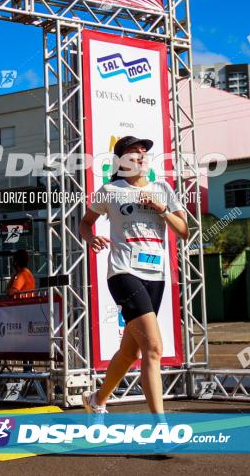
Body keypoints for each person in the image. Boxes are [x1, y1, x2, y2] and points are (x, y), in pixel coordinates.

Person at [79, 135, 189, 417]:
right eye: (134, 152)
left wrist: (160, 208)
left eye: (144, 152)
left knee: (131, 353)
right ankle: (160, 428)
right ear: (121, 161)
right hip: (123, 272)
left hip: (156, 275)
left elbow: (184, 230)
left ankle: (96, 400)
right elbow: (85, 222)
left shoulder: (162, 189)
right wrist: (91, 238)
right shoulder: (110, 190)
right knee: (153, 348)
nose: (141, 156)